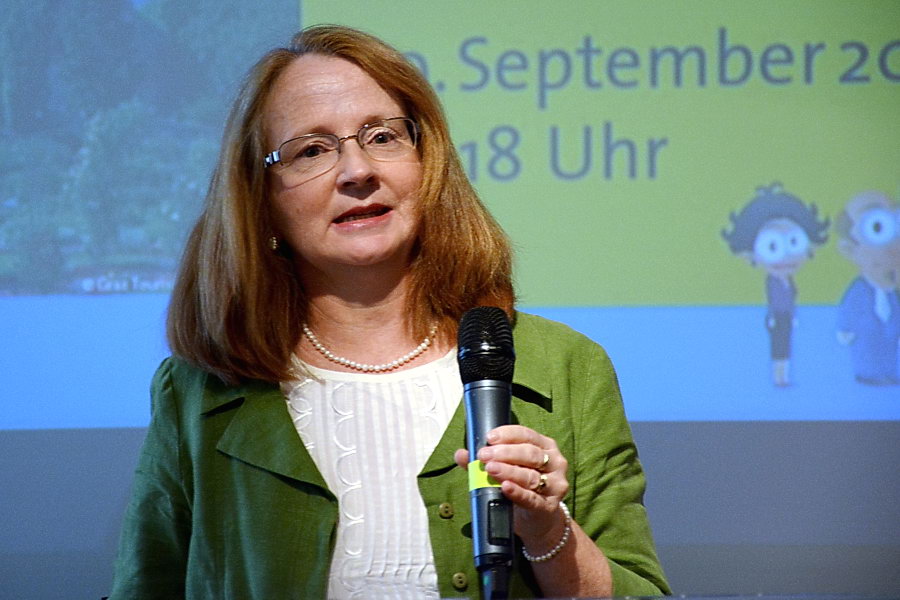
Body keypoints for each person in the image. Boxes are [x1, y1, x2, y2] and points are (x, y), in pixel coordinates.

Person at [110, 25, 669, 599]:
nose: (357, 171)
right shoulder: (197, 393)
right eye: (311, 151)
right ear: (262, 200)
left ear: (428, 165)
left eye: (382, 136)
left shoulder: (564, 367)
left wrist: (549, 530)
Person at [721, 183, 829, 386]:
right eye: (772, 246)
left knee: (787, 348)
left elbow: (791, 298)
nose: (786, 257)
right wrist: (771, 317)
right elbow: (773, 301)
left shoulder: (789, 282)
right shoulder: (772, 282)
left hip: (787, 318)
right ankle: (779, 377)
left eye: (794, 242)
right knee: (778, 348)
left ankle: (783, 376)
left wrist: (793, 316)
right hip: (777, 319)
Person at [835, 191, 900, 385]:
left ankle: (888, 374)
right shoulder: (858, 291)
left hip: (890, 339)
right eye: (877, 228)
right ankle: (869, 374)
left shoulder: (893, 294)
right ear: (849, 249)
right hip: (866, 338)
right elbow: (848, 311)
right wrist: (845, 329)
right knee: (869, 352)